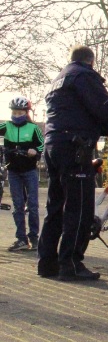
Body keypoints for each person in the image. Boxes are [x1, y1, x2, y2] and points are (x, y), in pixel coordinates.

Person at [36, 45, 108, 282]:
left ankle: (47, 262)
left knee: (55, 206)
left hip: (53, 145)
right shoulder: (84, 76)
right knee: (80, 208)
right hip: (76, 147)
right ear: (90, 61)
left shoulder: (58, 80)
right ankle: (72, 263)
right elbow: (104, 109)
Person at [2, 96, 43, 252]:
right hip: (13, 171)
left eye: (20, 113)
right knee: (18, 205)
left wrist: (35, 151)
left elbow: (42, 144)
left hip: (29, 171)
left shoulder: (33, 129)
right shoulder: (6, 126)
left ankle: (34, 237)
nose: (17, 116)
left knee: (32, 205)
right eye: (15, 112)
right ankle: (21, 239)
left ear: (26, 113)